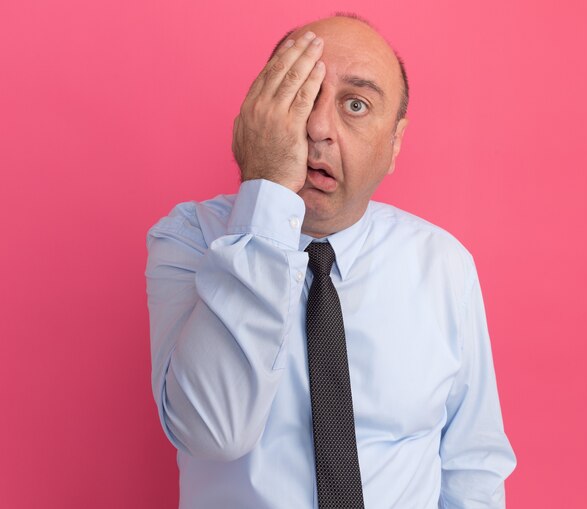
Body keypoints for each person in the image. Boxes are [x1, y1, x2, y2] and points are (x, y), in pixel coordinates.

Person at [145, 13, 516, 509]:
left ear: (395, 143)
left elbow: (474, 465)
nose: (318, 127)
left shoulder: (443, 265)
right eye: (299, 96)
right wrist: (268, 192)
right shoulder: (191, 238)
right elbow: (215, 430)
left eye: (356, 105)